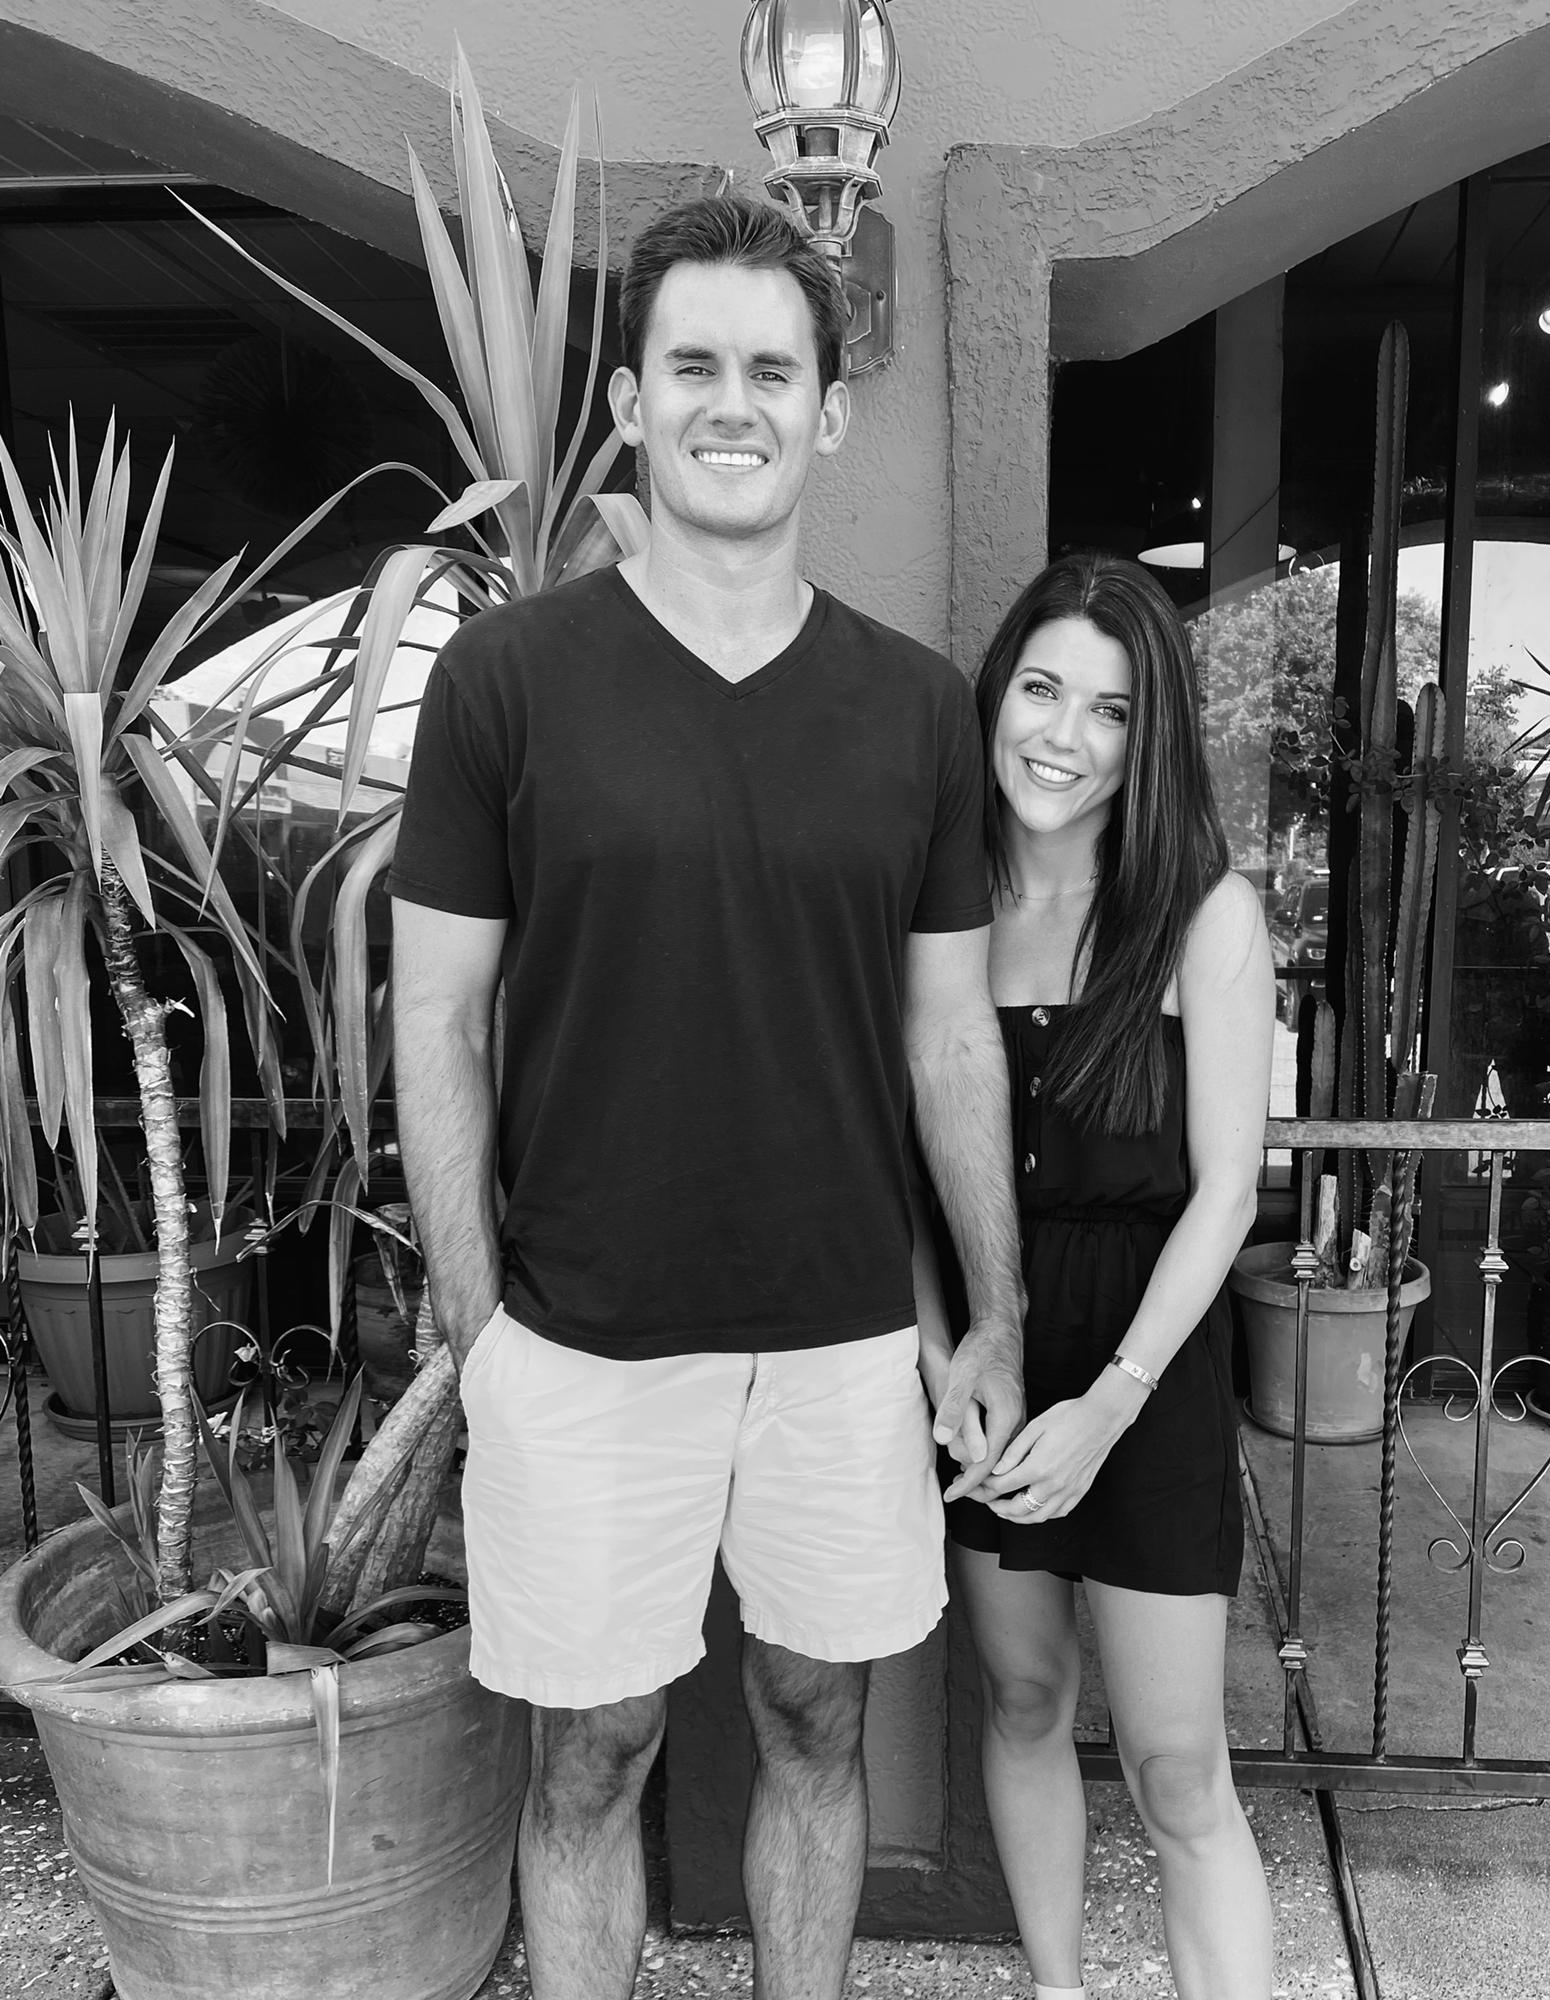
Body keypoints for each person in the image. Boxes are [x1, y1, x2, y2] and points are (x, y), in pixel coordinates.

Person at [385, 193, 1025, 2000]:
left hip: (839, 1337)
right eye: (692, 366)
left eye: (770, 370)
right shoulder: (507, 682)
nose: (731, 404)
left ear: (829, 411)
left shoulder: (915, 711)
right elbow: (436, 1012)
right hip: (580, 1337)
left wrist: (992, 1313)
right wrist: (481, 1329)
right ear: (629, 403)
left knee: (817, 1719)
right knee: (591, 1755)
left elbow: (950, 1035)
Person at [915, 552, 1275, 2000]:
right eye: (1041, 689)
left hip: (1147, 1368)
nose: (1063, 736)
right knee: (1023, 1696)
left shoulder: (1203, 915)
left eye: (1110, 710)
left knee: (1178, 1768)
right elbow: (902, 1174)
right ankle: (1058, 1987)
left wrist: (1112, 1405)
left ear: (1149, 737)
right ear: (997, 695)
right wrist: (943, 1360)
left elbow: (1229, 1191)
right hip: (990, 1368)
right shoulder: (938, 911)